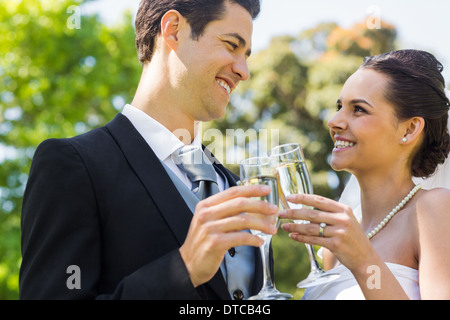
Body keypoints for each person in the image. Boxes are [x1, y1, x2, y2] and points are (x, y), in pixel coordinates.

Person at [19, 0, 278, 300]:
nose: (244, 71)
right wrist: (184, 268)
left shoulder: (235, 187)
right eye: (231, 45)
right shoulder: (74, 166)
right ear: (173, 30)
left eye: (246, 56)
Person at [280, 49, 450, 300]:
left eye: (358, 109)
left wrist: (363, 260)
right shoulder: (336, 246)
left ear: (410, 128)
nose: (334, 121)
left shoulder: (432, 209)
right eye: (339, 106)